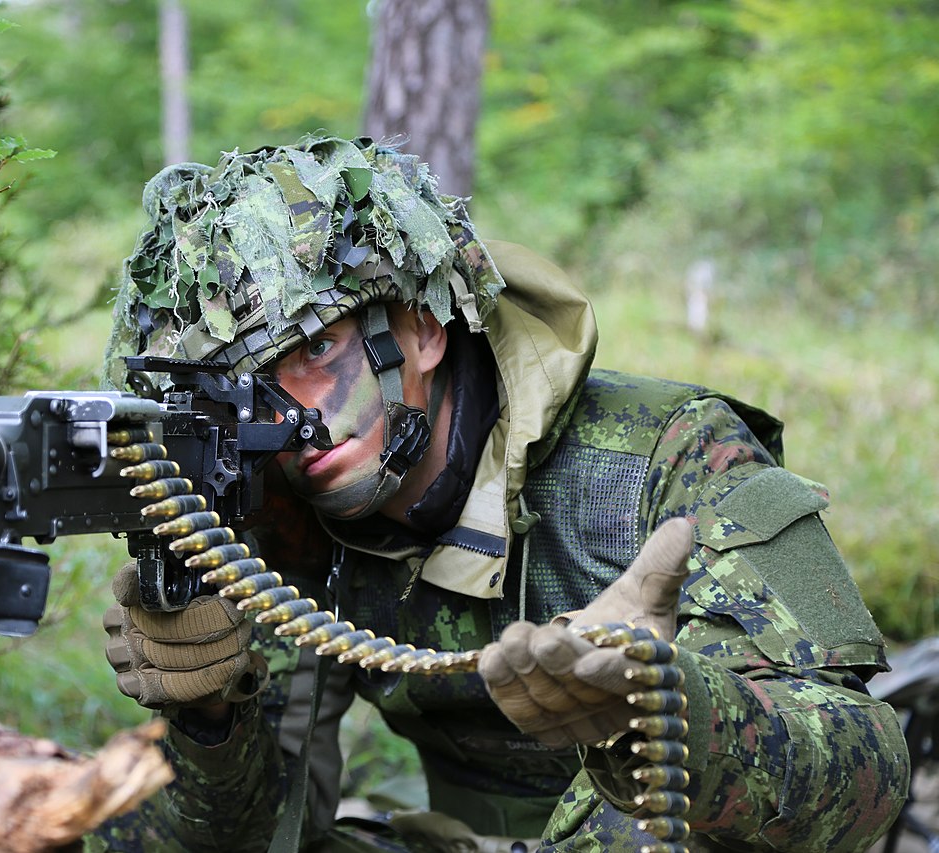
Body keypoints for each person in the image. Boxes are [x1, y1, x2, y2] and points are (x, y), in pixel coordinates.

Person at [92, 136, 908, 852]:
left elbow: (867, 773)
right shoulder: (281, 515)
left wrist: (673, 711)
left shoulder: (665, 456)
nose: (287, 416)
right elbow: (243, 832)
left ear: (420, 328)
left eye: (313, 349)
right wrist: (209, 722)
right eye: (249, 388)